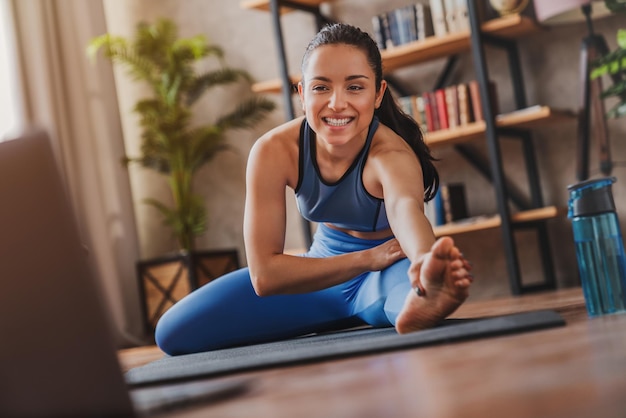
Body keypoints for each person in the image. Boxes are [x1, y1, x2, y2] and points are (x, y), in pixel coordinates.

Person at [155, 23, 473, 355]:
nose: (337, 103)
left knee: (413, 300)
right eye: (321, 87)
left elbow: (406, 211)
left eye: (355, 87)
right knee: (173, 332)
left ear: (377, 94)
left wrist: (424, 260)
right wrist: (366, 258)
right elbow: (265, 276)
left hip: (384, 276)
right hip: (320, 276)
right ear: (302, 93)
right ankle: (357, 313)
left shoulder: (390, 156)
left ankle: (419, 298)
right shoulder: (274, 151)